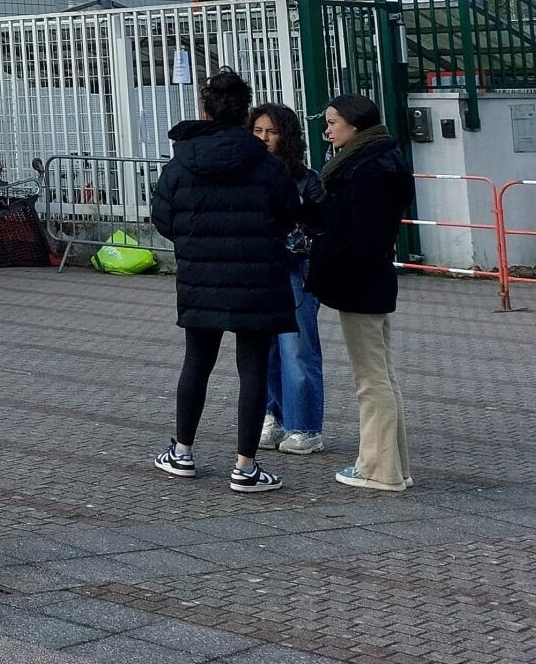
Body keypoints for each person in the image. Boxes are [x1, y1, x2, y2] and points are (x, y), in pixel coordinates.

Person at [149, 68, 300, 494]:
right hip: (258, 276)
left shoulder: (183, 161)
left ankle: (182, 452)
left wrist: (195, 241)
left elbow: (162, 217)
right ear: (245, 113)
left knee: (197, 361)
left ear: (204, 110)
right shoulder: (266, 163)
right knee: (252, 368)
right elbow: (289, 212)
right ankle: (245, 466)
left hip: (201, 275)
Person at [307, 93, 416, 492]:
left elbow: (365, 234)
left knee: (371, 379)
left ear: (354, 125)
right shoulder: (380, 160)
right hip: (371, 279)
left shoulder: (368, 168)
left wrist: (330, 264)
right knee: (382, 376)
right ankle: (393, 466)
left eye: (333, 122)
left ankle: (379, 470)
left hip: (362, 282)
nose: (328, 130)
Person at [250, 102, 327, 455]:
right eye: (258, 131)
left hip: (296, 266)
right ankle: (274, 416)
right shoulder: (247, 171)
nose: (264, 138)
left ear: (287, 136)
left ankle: (306, 425)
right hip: (260, 267)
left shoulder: (306, 178)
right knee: (264, 348)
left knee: (296, 348)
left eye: (272, 132)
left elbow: (319, 220)